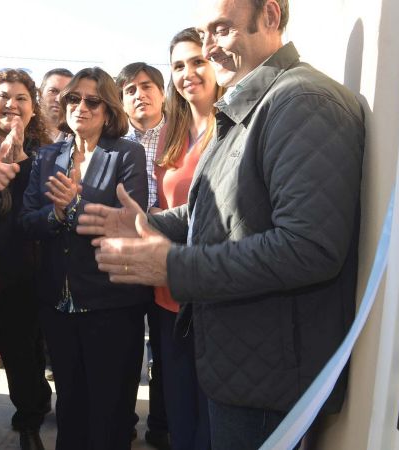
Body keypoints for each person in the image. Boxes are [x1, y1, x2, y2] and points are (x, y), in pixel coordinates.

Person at [78, 0, 366, 448]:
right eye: (203, 32)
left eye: (221, 30)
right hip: (242, 366)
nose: (209, 47)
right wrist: (150, 224)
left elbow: (308, 248)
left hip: (269, 381)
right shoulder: (254, 103)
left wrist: (174, 268)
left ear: (270, 16)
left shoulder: (303, 102)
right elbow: (219, 210)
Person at [19, 67, 151, 450]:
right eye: (73, 99)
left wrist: (74, 206)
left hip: (111, 303)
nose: (81, 107)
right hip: (58, 306)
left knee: (109, 410)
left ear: (108, 111)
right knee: (70, 407)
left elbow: (130, 221)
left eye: (93, 101)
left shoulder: (128, 153)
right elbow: (28, 222)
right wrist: (56, 215)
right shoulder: (47, 156)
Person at [0, 69, 53, 450]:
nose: (12, 104)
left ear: (33, 108)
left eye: (21, 97)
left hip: (23, 271)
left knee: (23, 355)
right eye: (4, 95)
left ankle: (30, 422)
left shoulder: (45, 151)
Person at [151, 27, 225, 450]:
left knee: (209, 423)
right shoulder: (171, 131)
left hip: (209, 293)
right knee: (179, 412)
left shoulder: (229, 128)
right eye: (178, 65)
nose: (188, 72)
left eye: (198, 61)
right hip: (166, 291)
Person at [115, 62, 169, 450]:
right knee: (128, 347)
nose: (140, 95)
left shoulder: (182, 134)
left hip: (170, 253)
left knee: (166, 349)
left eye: (147, 86)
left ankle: (163, 426)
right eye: (130, 89)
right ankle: (125, 421)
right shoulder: (115, 142)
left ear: (163, 93)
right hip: (129, 260)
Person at [38, 68, 74, 142]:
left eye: (66, 93)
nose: (59, 99)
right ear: (40, 93)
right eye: (53, 91)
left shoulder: (79, 137)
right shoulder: (24, 132)